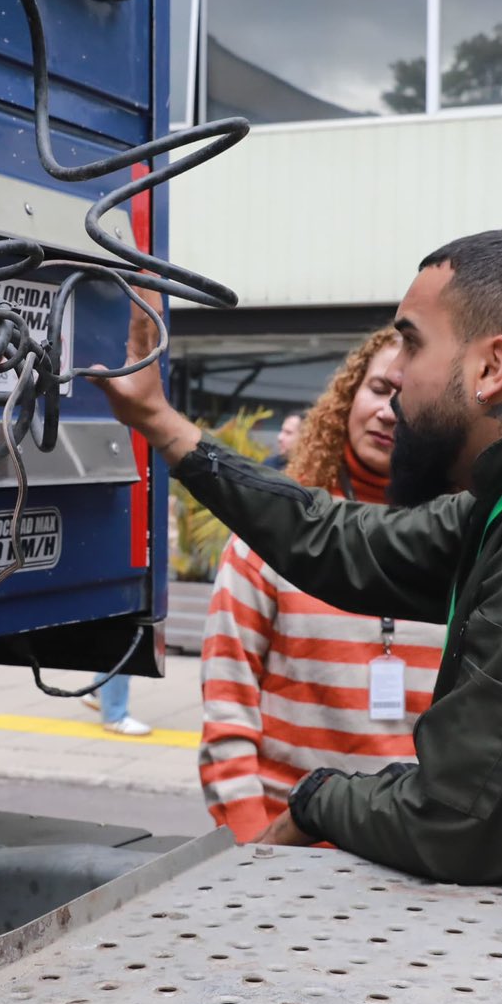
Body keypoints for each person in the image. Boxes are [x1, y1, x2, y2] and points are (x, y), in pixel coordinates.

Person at [98, 229, 502, 917]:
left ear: (491, 367)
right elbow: (342, 541)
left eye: (413, 343)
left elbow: (459, 823)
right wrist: (159, 421)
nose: (398, 383)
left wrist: (318, 799)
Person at [199, 331, 444, 842]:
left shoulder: (461, 541)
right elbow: (227, 708)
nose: (389, 411)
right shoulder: (276, 531)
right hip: (284, 851)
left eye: (408, 397)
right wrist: (253, 850)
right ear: (347, 397)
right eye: (379, 388)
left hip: (415, 853)